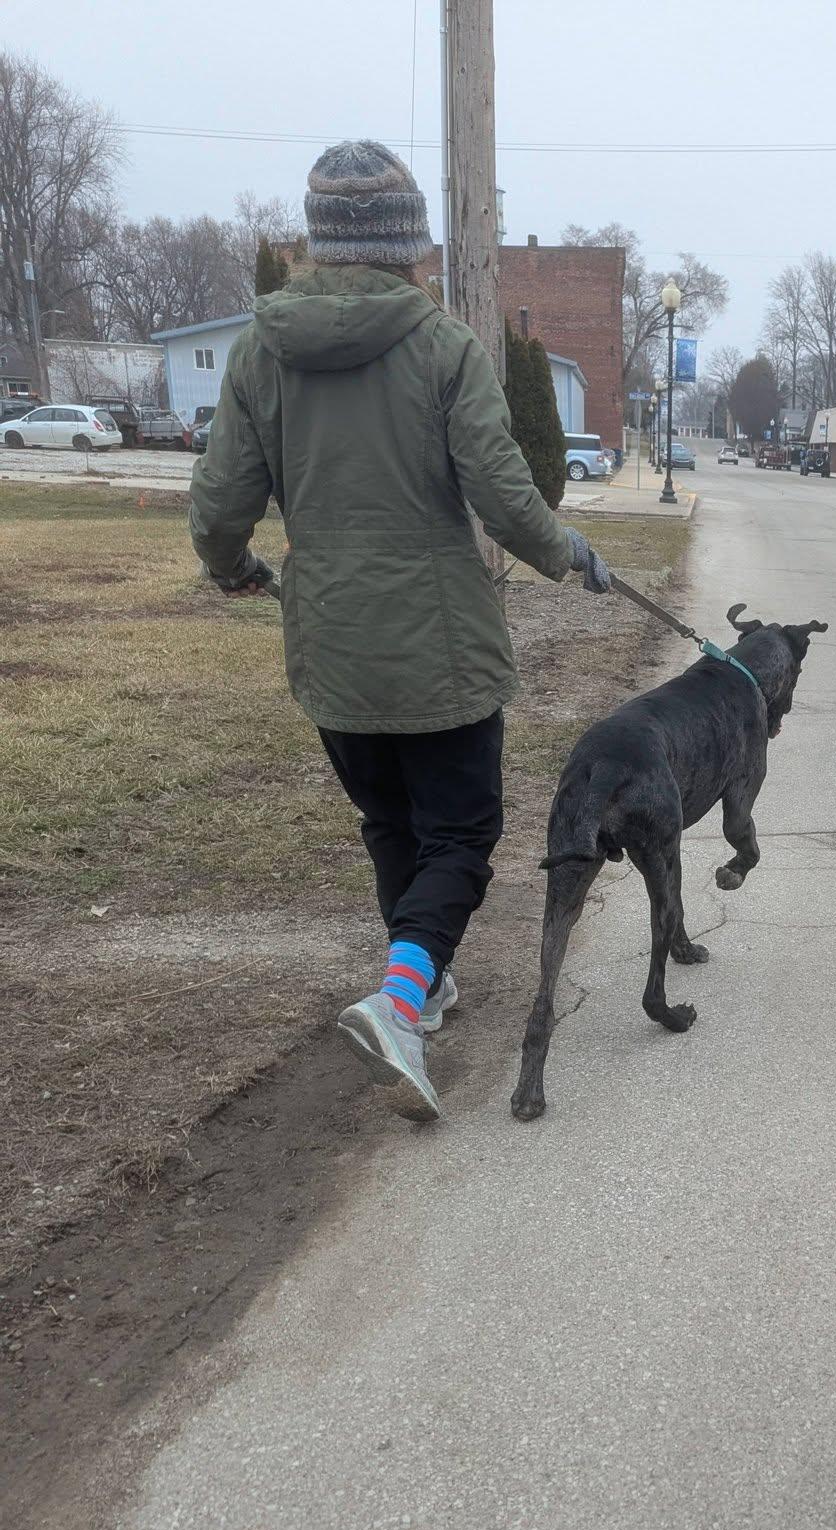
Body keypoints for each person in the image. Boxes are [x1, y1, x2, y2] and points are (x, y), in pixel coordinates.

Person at [189, 140, 612, 1124]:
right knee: (461, 832)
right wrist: (569, 553)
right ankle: (402, 1001)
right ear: (409, 243)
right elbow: (504, 497)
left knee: (393, 823)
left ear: (320, 237)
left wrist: (239, 571)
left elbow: (218, 506)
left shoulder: (261, 350)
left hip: (330, 643)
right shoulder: (443, 346)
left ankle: (421, 977)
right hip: (440, 645)